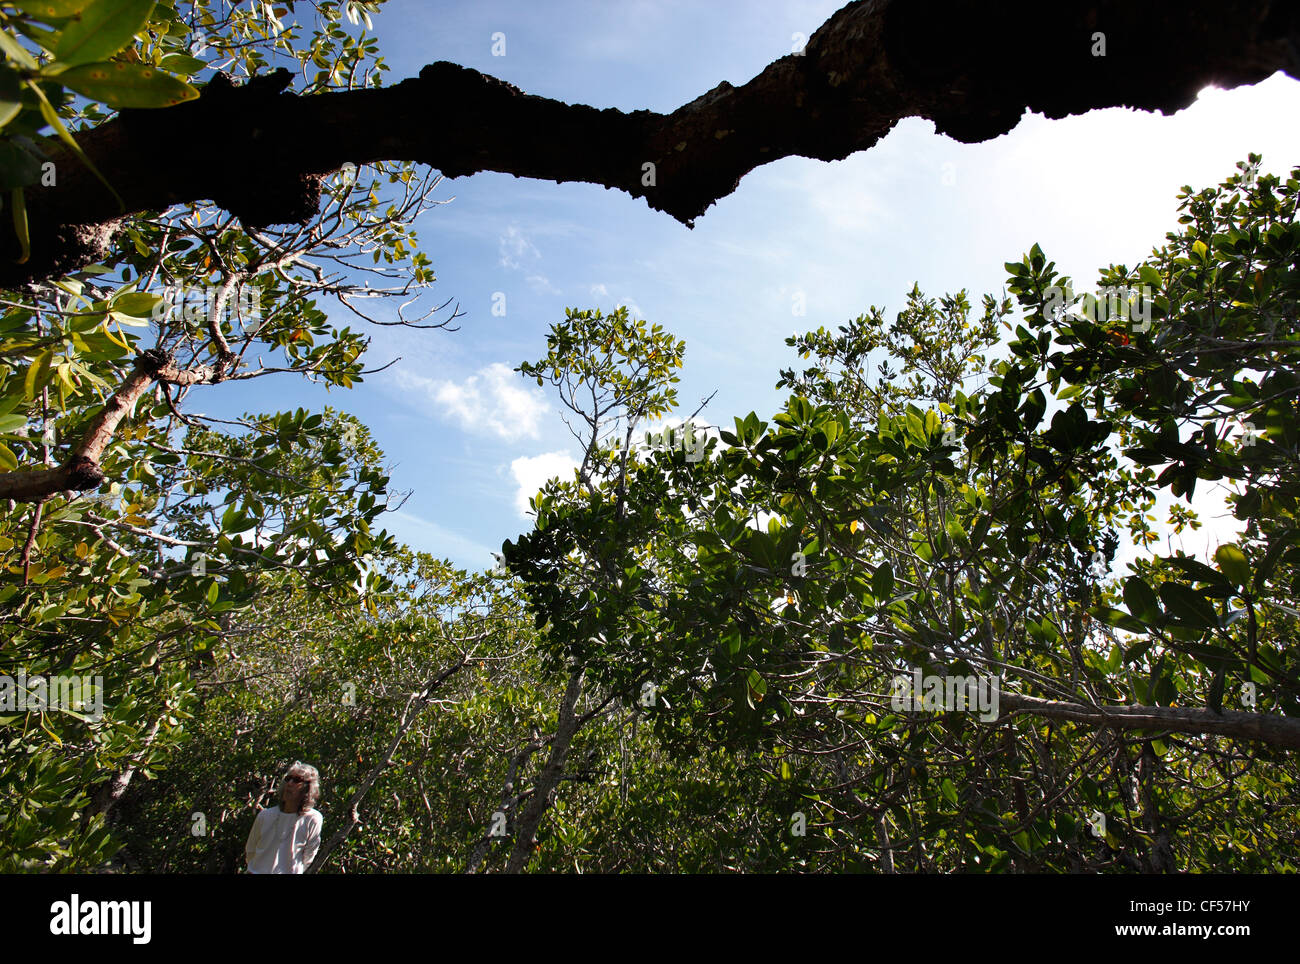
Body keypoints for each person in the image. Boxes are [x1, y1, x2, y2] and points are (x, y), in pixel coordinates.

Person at [244, 761, 323, 874]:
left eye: (296, 780)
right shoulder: (265, 815)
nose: (290, 783)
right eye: (288, 779)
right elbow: (250, 850)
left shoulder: (313, 819)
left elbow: (308, 857)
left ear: (308, 788)